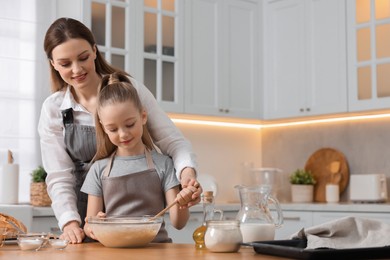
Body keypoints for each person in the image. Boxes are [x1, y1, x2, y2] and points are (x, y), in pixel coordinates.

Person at [38, 17, 202, 244]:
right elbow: (59, 176)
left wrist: (186, 174)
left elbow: (172, 141)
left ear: (95, 51)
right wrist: (70, 223)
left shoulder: (127, 89)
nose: (77, 70)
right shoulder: (54, 109)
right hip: (89, 220)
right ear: (53, 64)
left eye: (84, 57)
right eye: (65, 64)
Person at [82, 72, 197, 242]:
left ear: (143, 116)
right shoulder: (98, 170)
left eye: (130, 124)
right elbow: (89, 224)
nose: (123, 134)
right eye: (113, 129)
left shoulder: (164, 164)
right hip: (115, 254)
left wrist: (182, 201)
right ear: (103, 127)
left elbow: (178, 223)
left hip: (157, 252)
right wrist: (93, 226)